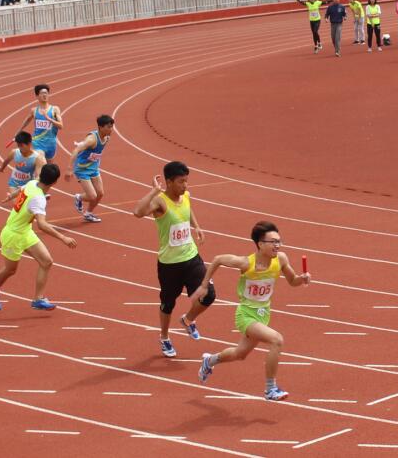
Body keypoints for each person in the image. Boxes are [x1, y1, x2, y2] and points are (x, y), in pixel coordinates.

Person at [196, 221, 310, 401]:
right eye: (273, 242)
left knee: (240, 354)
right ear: (260, 244)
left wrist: (302, 279)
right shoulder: (246, 263)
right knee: (276, 340)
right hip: (246, 315)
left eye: (279, 241)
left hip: (263, 315)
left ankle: (210, 361)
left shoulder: (281, 259)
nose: (277, 245)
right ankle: (270, 389)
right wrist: (204, 285)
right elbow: (217, 259)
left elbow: (292, 281)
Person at [132, 161, 215, 358]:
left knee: (209, 295)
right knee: (168, 304)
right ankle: (164, 337)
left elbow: (188, 210)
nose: (185, 185)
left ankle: (188, 319)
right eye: (181, 182)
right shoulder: (160, 202)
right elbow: (138, 212)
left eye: (186, 181)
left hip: (191, 257)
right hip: (170, 264)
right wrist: (154, 191)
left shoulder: (185, 196)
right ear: (169, 182)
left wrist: (197, 226)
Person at [0, 163, 77, 312]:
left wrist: (11, 196)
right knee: (10, 270)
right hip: (13, 235)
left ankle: (38, 300)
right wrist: (63, 238)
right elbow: (42, 224)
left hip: (25, 231)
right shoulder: (39, 199)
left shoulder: (33, 183)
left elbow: (21, 190)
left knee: (46, 261)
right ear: (55, 182)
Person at [67, 114, 115, 223]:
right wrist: (69, 168)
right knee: (92, 196)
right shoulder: (92, 139)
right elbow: (76, 150)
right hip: (82, 169)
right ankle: (79, 197)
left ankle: (88, 213)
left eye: (112, 127)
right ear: (100, 127)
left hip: (93, 168)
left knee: (100, 193)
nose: (111, 129)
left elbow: (96, 152)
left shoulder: (107, 138)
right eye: (108, 127)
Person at [15, 84, 63, 162]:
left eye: (46, 93)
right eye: (42, 93)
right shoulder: (34, 110)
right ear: (37, 96)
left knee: (48, 166)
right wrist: (19, 131)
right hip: (37, 142)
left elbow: (61, 126)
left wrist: (49, 119)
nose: (44, 95)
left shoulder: (55, 109)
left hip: (51, 143)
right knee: (41, 161)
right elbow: (27, 120)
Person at [0, 131, 45, 202]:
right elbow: (6, 161)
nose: (20, 148)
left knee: (26, 203)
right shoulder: (14, 152)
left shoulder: (37, 158)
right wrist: (1, 168)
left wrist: (35, 185)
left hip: (27, 185)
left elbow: (38, 176)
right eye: (18, 145)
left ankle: (39, 196)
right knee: (17, 203)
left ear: (29, 144)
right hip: (14, 183)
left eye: (22, 146)